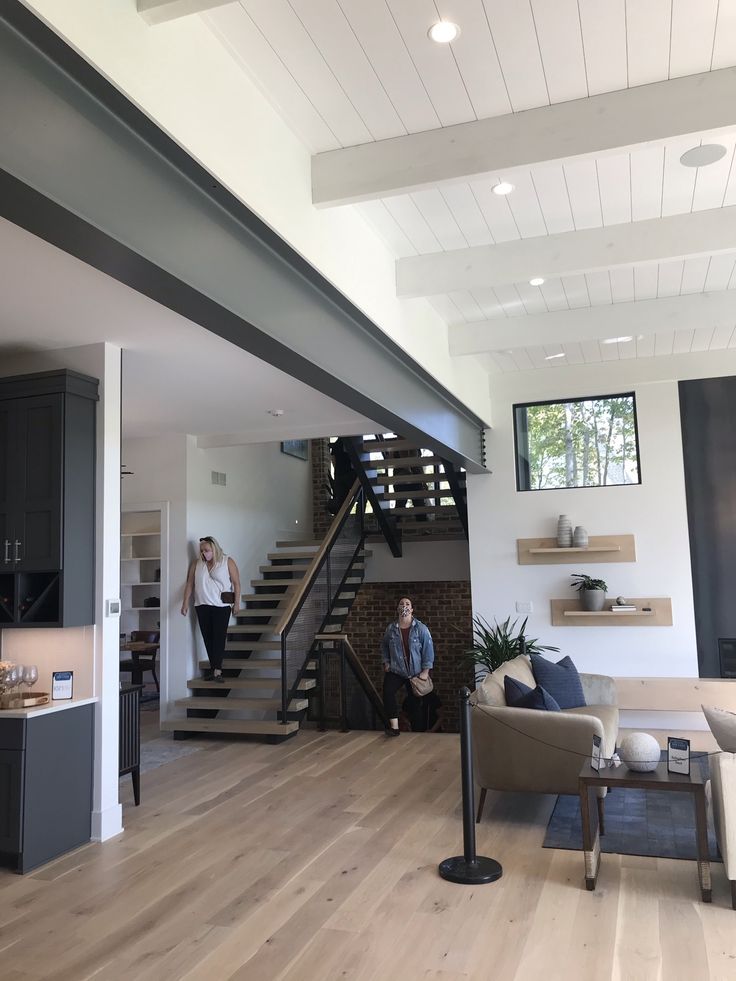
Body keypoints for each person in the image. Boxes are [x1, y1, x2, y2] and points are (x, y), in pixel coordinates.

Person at [181, 536, 241, 682]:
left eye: (206, 550)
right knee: (207, 638)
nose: (204, 553)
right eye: (202, 551)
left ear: (214, 549)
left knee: (218, 638)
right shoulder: (197, 564)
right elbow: (190, 583)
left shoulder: (227, 561)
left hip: (221, 607)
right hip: (202, 605)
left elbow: (236, 583)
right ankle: (214, 668)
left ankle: (217, 670)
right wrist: (185, 603)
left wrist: (237, 604)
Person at [381, 596, 434, 736]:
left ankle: (418, 732)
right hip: (396, 670)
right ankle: (394, 727)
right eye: (401, 603)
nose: (404, 605)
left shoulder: (421, 629)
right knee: (387, 691)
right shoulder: (391, 629)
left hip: (415, 672)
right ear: (398, 608)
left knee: (415, 702)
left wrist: (426, 671)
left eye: (407, 604)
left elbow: (428, 649)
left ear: (411, 609)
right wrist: (386, 662)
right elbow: (384, 646)